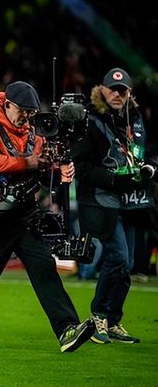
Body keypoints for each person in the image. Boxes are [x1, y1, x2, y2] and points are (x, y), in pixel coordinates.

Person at [0, 81, 93, 352]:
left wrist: (56, 171)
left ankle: (67, 329)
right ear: (7, 104)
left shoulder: (35, 132)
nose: (27, 117)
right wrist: (27, 162)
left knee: (44, 267)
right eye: (22, 111)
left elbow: (41, 175)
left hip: (25, 214)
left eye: (31, 113)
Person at [71, 68, 153, 344]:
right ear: (102, 90)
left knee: (126, 264)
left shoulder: (134, 118)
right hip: (101, 200)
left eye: (123, 90)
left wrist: (150, 168)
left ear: (129, 93)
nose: (118, 94)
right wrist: (116, 181)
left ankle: (113, 319)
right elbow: (81, 167)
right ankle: (99, 315)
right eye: (113, 89)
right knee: (118, 257)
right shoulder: (90, 120)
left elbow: (145, 153)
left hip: (130, 202)